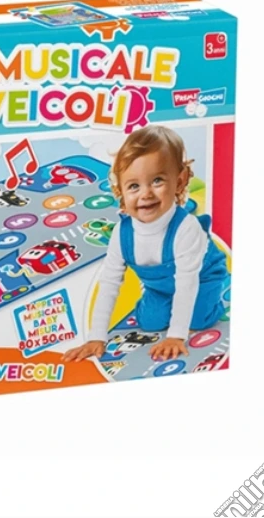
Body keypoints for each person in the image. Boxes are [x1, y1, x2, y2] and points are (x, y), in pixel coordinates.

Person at [63, 125, 227, 363]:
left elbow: (187, 282)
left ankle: (214, 299)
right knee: (149, 323)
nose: (145, 194)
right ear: (120, 191)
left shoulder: (185, 228)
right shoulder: (122, 234)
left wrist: (176, 336)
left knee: (199, 319)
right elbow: (109, 283)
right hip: (160, 288)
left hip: (201, 277)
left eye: (157, 181)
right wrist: (96, 337)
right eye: (133, 186)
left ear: (179, 181)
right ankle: (160, 304)